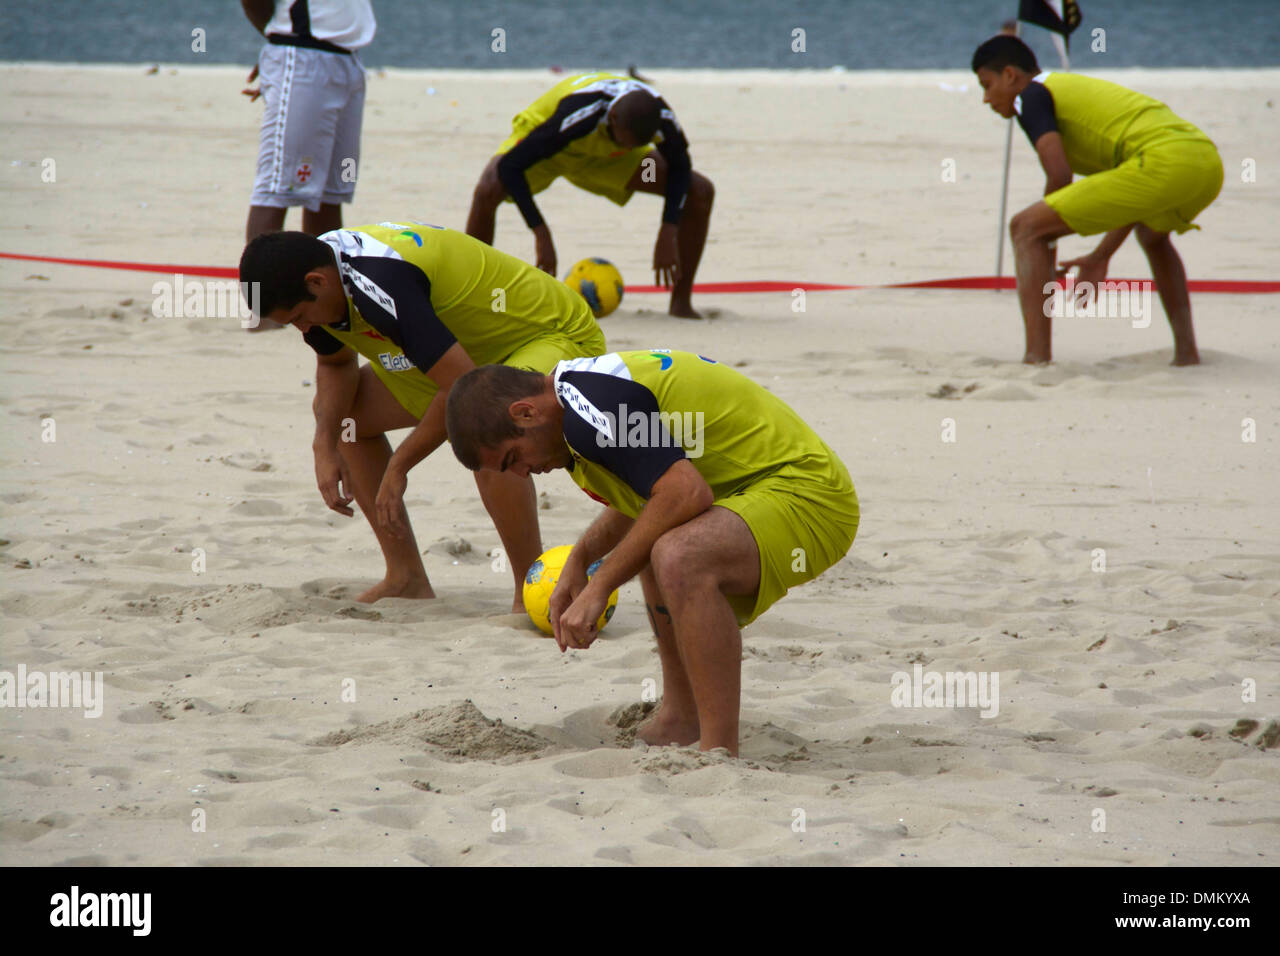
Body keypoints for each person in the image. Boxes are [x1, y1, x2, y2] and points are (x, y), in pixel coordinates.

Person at [443, 351, 859, 757]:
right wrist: (580, 560)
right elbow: (647, 499)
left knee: (679, 554)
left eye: (513, 458)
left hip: (811, 494)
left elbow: (685, 492)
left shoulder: (592, 408)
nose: (521, 473)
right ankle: (682, 718)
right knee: (653, 542)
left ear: (525, 413)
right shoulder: (578, 397)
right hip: (764, 490)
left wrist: (599, 585)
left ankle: (717, 752)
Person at [237, 221, 607, 607]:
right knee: (349, 421)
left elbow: (461, 392)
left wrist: (399, 466)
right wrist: (323, 445)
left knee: (485, 428)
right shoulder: (320, 282)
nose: (303, 328)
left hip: (550, 336)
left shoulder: (379, 281)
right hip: (464, 357)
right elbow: (335, 366)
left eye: (299, 316)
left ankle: (529, 591)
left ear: (317, 282)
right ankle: (405, 577)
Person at [972, 34, 1223, 365]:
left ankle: (1036, 359)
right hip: (1203, 162)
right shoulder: (1062, 88)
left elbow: (1060, 175)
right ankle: (1187, 354)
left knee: (1025, 227)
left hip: (1163, 160)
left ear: (1009, 75)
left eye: (986, 85)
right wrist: (1100, 255)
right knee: (1152, 237)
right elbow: (1132, 194)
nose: (986, 99)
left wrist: (1047, 235)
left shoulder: (1030, 96)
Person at [465, 72, 715, 319]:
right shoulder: (579, 115)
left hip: (608, 156)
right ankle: (470, 296)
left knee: (700, 191)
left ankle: (681, 304)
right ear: (613, 117)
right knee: (489, 188)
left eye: (636, 146)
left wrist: (668, 229)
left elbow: (680, 167)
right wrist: (541, 233)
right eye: (628, 143)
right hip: (546, 146)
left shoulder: (662, 121)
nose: (631, 148)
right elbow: (511, 167)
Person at [240, 0, 374, 249]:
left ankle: (322, 285)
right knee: (275, 191)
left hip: (349, 58)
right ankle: (257, 288)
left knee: (329, 193)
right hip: (302, 54)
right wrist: (280, 41)